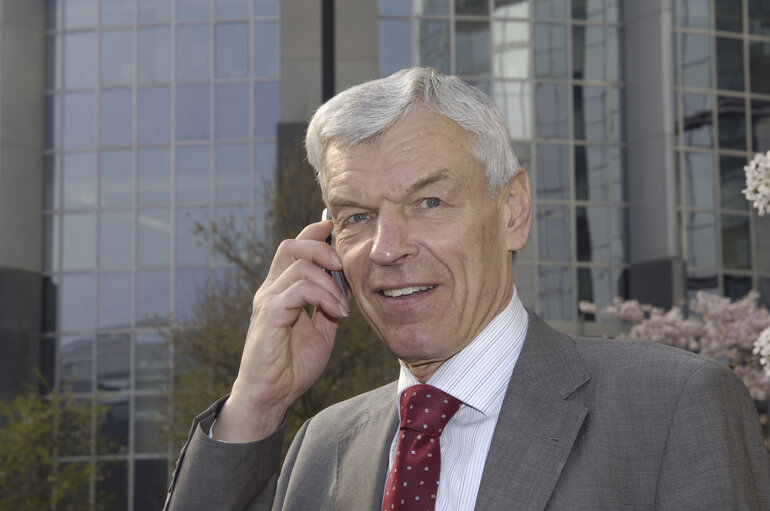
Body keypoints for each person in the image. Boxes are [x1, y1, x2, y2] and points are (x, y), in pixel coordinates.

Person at [164, 68, 770, 510]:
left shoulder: (673, 408)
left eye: (429, 202)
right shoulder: (321, 449)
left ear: (513, 211)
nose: (387, 246)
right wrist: (257, 403)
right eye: (356, 216)